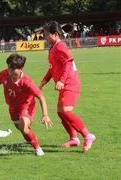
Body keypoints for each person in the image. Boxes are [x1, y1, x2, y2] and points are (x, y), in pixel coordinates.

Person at [0, 54, 53, 156]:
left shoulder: (27, 82)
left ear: (21, 69)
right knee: (20, 127)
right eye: (9, 68)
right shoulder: (5, 74)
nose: (9, 71)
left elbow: (41, 97)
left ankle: (37, 148)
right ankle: (29, 138)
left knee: (23, 127)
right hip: (13, 107)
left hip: (26, 106)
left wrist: (45, 115)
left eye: (12, 69)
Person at [39, 21, 96, 153]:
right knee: (60, 113)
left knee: (66, 112)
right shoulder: (53, 48)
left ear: (56, 34)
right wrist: (45, 80)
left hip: (71, 83)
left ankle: (88, 136)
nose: (45, 38)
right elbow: (53, 68)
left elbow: (68, 63)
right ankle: (73, 138)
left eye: (47, 35)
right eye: (45, 35)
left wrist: (62, 81)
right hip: (64, 84)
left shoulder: (60, 46)